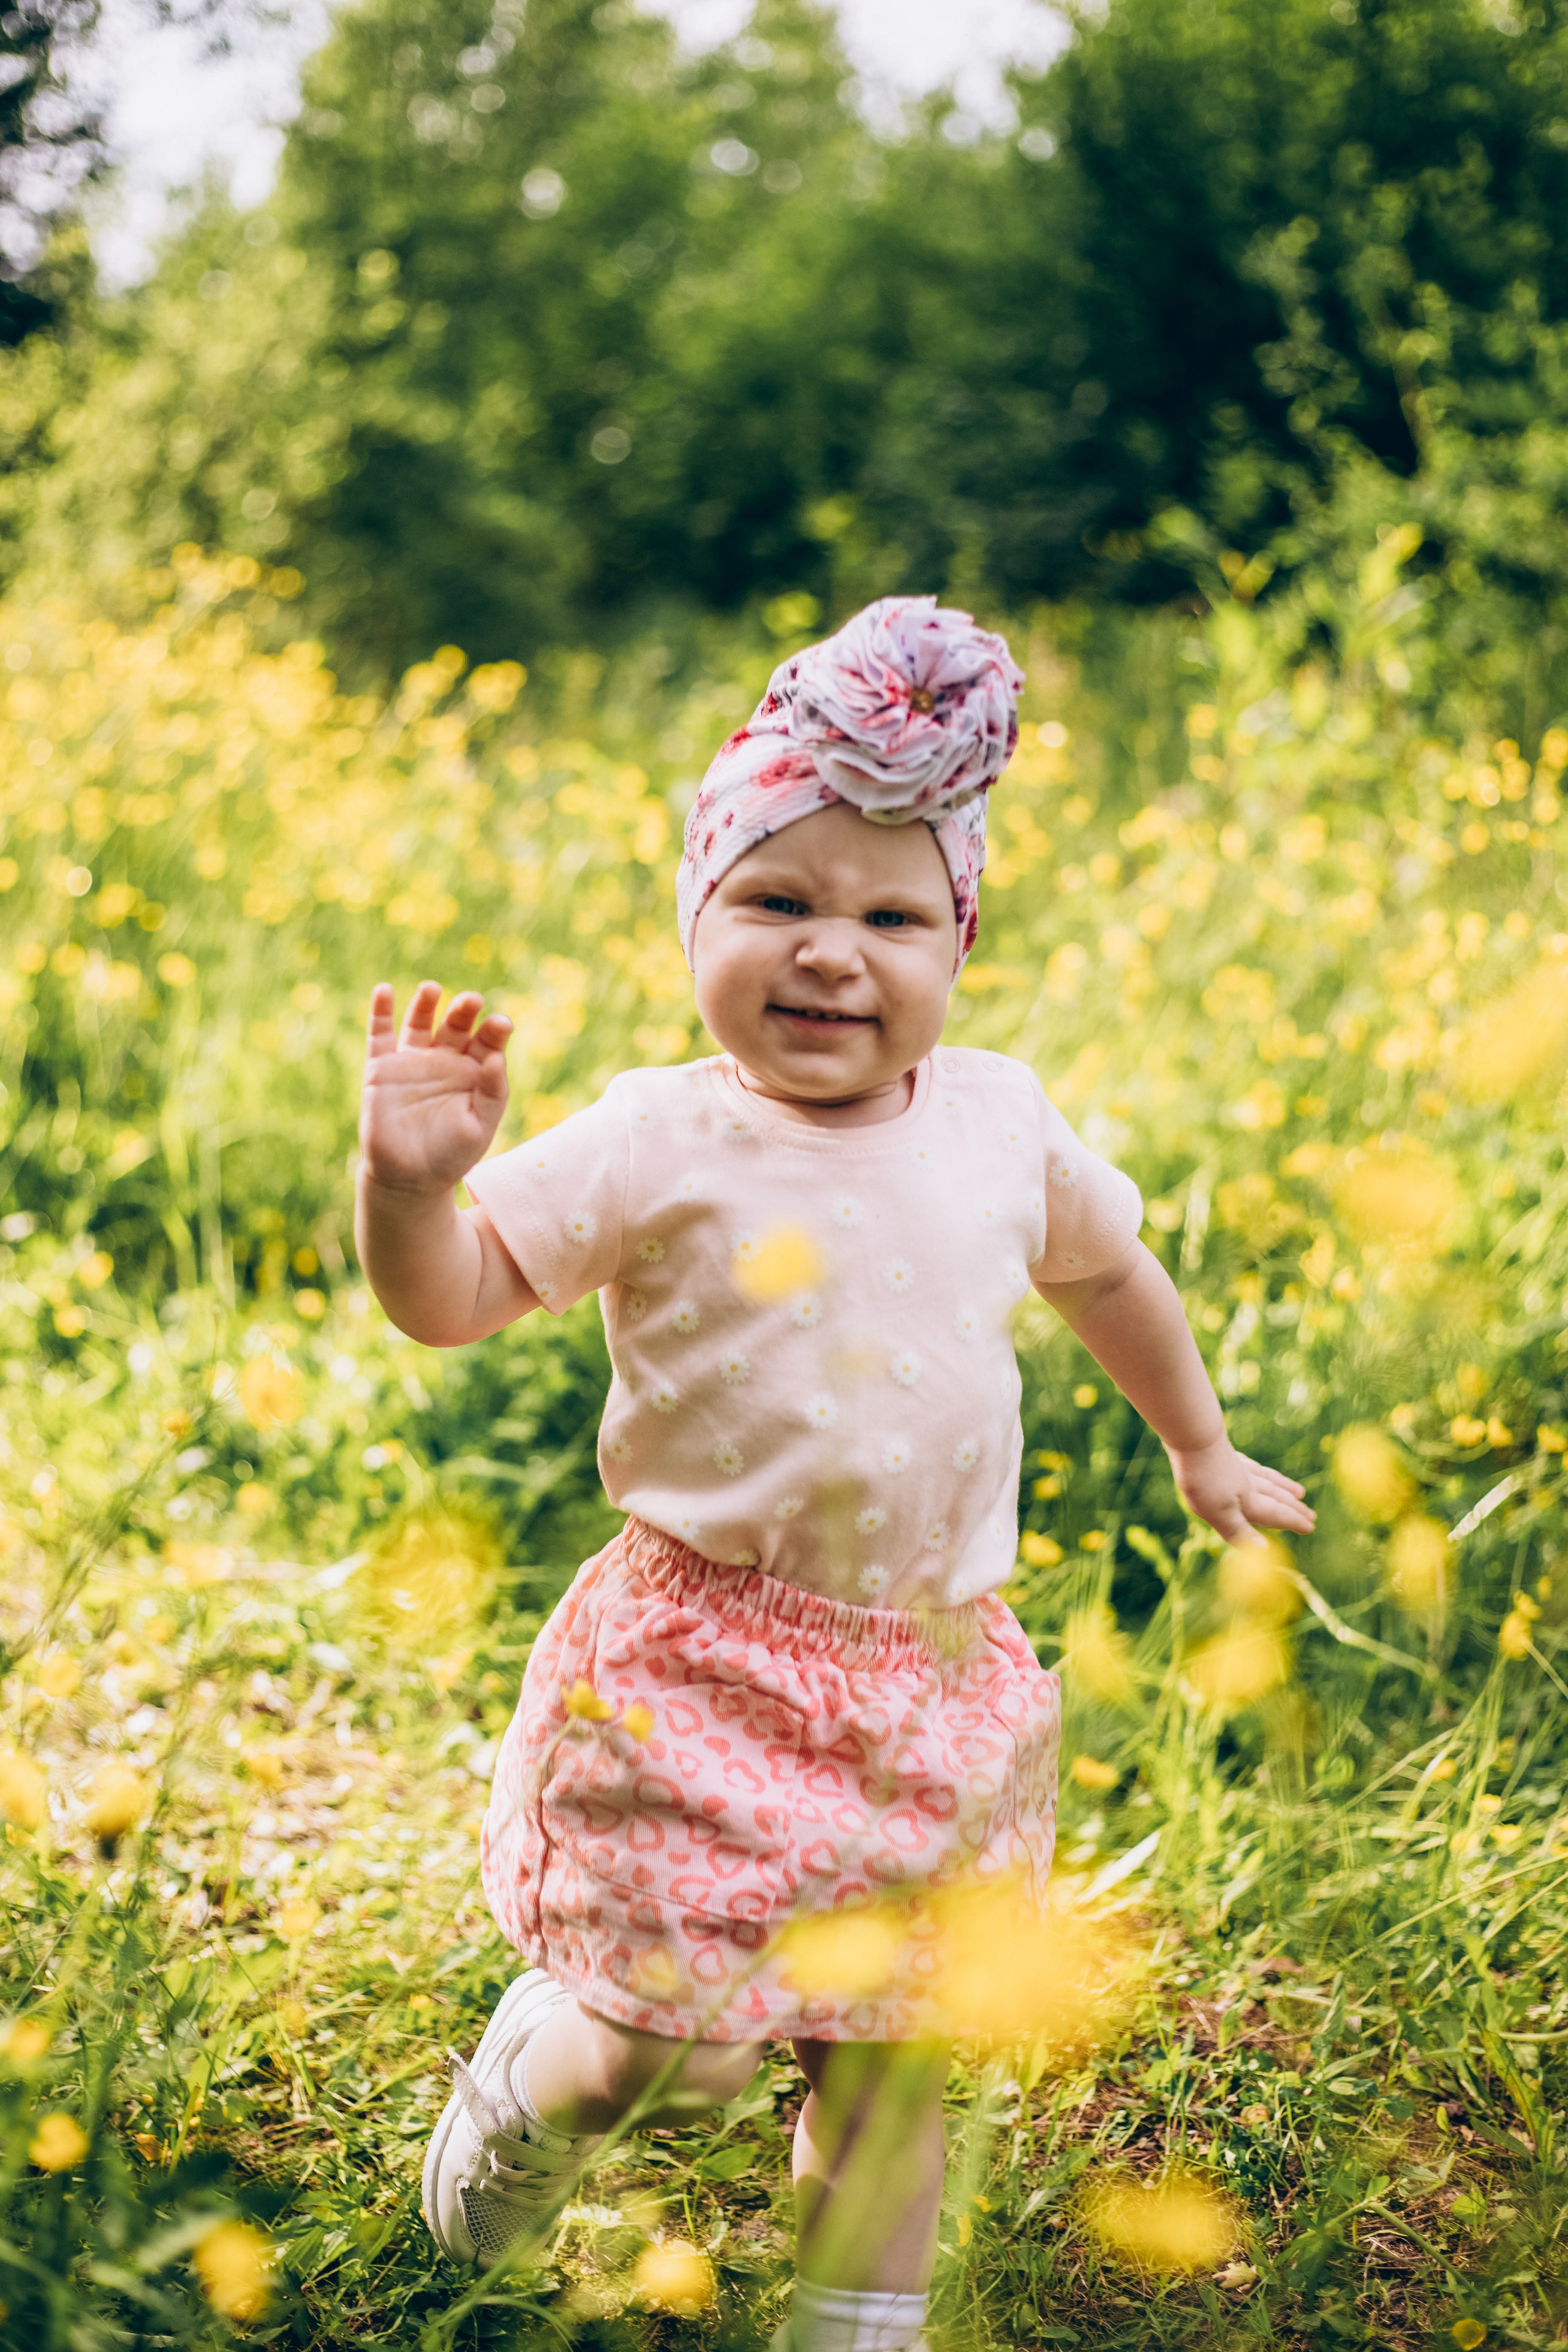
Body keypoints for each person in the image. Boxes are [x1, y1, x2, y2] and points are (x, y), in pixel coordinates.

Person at [354, 596, 1314, 2350]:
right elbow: (454, 1304)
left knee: (890, 2062)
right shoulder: (658, 1135)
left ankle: (853, 2325)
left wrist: (1203, 1442)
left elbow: (1109, 1275)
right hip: (694, 1662)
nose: (830, 955)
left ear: (957, 944)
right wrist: (412, 1191)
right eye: (775, 900)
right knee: (673, 2042)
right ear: (697, 918)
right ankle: (529, 2085)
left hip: (935, 1681)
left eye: (889, 915)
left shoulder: (1002, 1119)